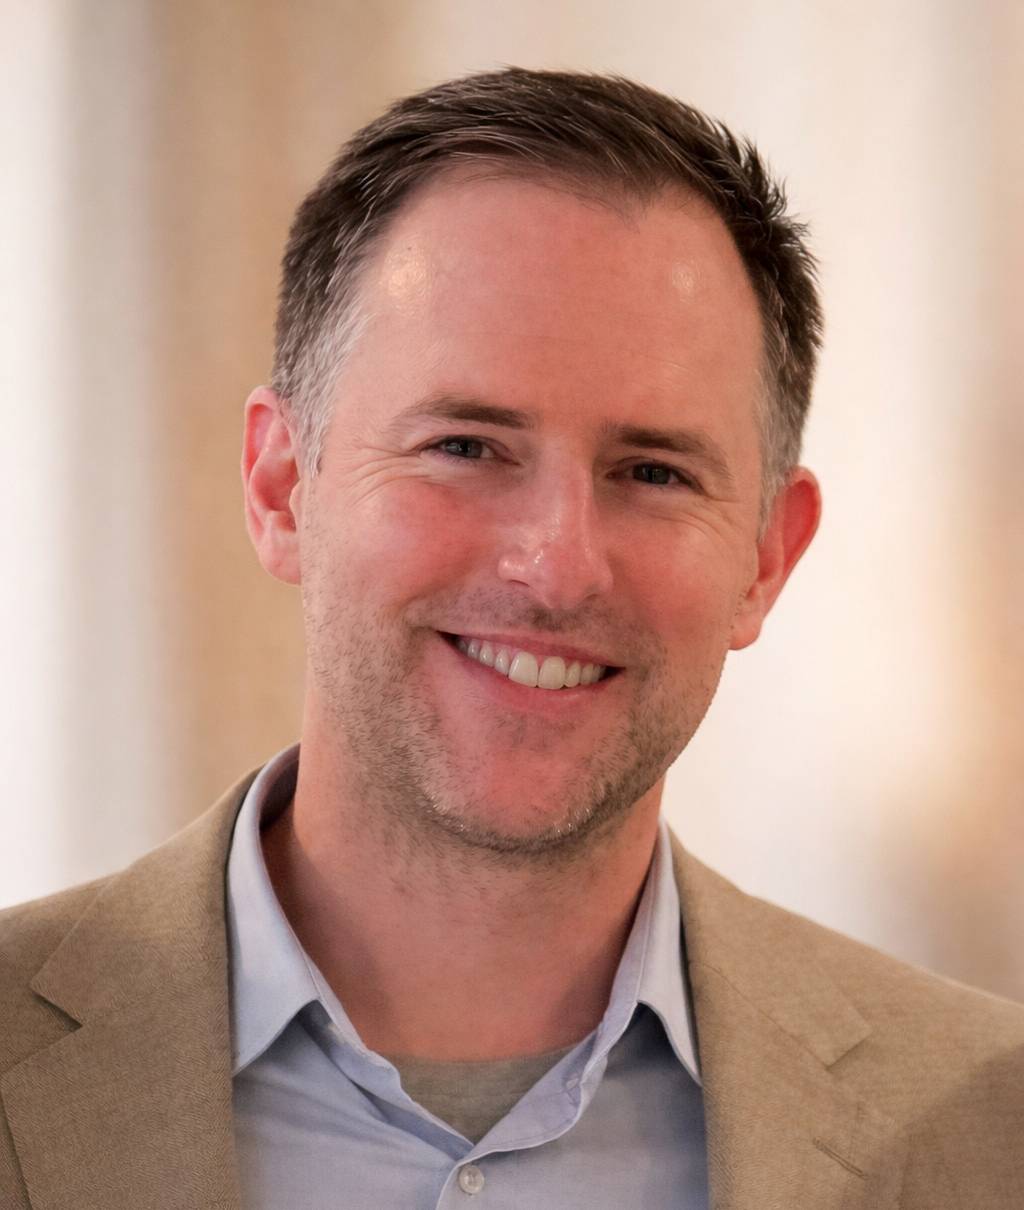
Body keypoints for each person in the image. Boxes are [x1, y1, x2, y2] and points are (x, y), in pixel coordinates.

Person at [1, 67, 1021, 1210]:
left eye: (652, 471)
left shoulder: (993, 1127)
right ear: (282, 485)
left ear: (766, 558)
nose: (556, 564)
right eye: (466, 446)